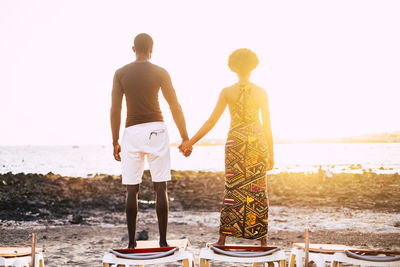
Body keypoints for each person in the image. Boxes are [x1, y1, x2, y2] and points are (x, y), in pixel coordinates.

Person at [179, 48, 274, 246]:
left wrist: (190, 142)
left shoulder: (227, 92)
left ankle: (222, 239)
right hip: (257, 143)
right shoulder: (261, 92)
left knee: (232, 189)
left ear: (233, 67)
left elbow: (212, 121)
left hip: (235, 144)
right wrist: (272, 154)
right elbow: (267, 125)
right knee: (257, 190)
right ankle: (262, 240)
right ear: (253, 66)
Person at [110, 33, 190, 248]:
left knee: (131, 189)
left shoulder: (120, 73)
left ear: (133, 48)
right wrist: (184, 137)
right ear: (152, 49)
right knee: (160, 187)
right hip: (157, 129)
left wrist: (114, 140)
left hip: (132, 131)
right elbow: (175, 106)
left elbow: (115, 108)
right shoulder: (160, 72)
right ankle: (163, 241)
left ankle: (132, 243)